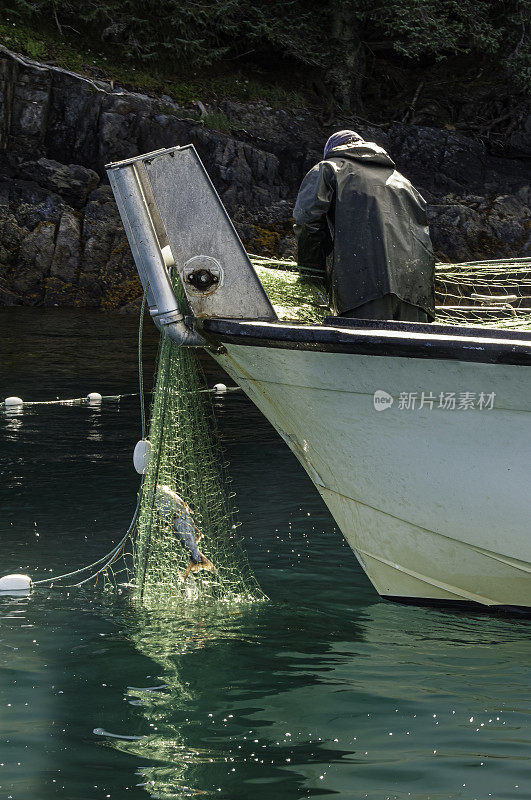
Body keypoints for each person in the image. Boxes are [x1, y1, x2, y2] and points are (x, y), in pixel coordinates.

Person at [293, 129, 435, 322]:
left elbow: (309, 223)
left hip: (361, 293)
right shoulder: (403, 182)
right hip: (417, 298)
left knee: (363, 350)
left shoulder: (328, 168)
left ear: (332, 151)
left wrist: (312, 274)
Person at [155, 485, 215, 579]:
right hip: (179, 517)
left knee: (191, 548)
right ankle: (192, 567)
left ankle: (192, 567)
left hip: (178, 517)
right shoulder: (165, 494)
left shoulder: (161, 497)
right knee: (192, 548)